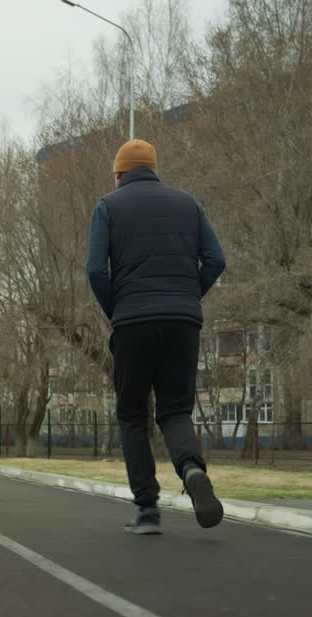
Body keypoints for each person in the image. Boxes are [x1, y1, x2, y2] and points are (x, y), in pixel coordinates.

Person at [85, 139, 227, 534]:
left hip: (132, 321)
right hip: (183, 322)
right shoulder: (188, 203)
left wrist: (119, 309)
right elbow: (216, 259)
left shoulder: (107, 207)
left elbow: (96, 270)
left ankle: (147, 510)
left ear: (118, 174)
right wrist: (185, 296)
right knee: (175, 410)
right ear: (154, 169)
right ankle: (192, 469)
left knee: (133, 414)